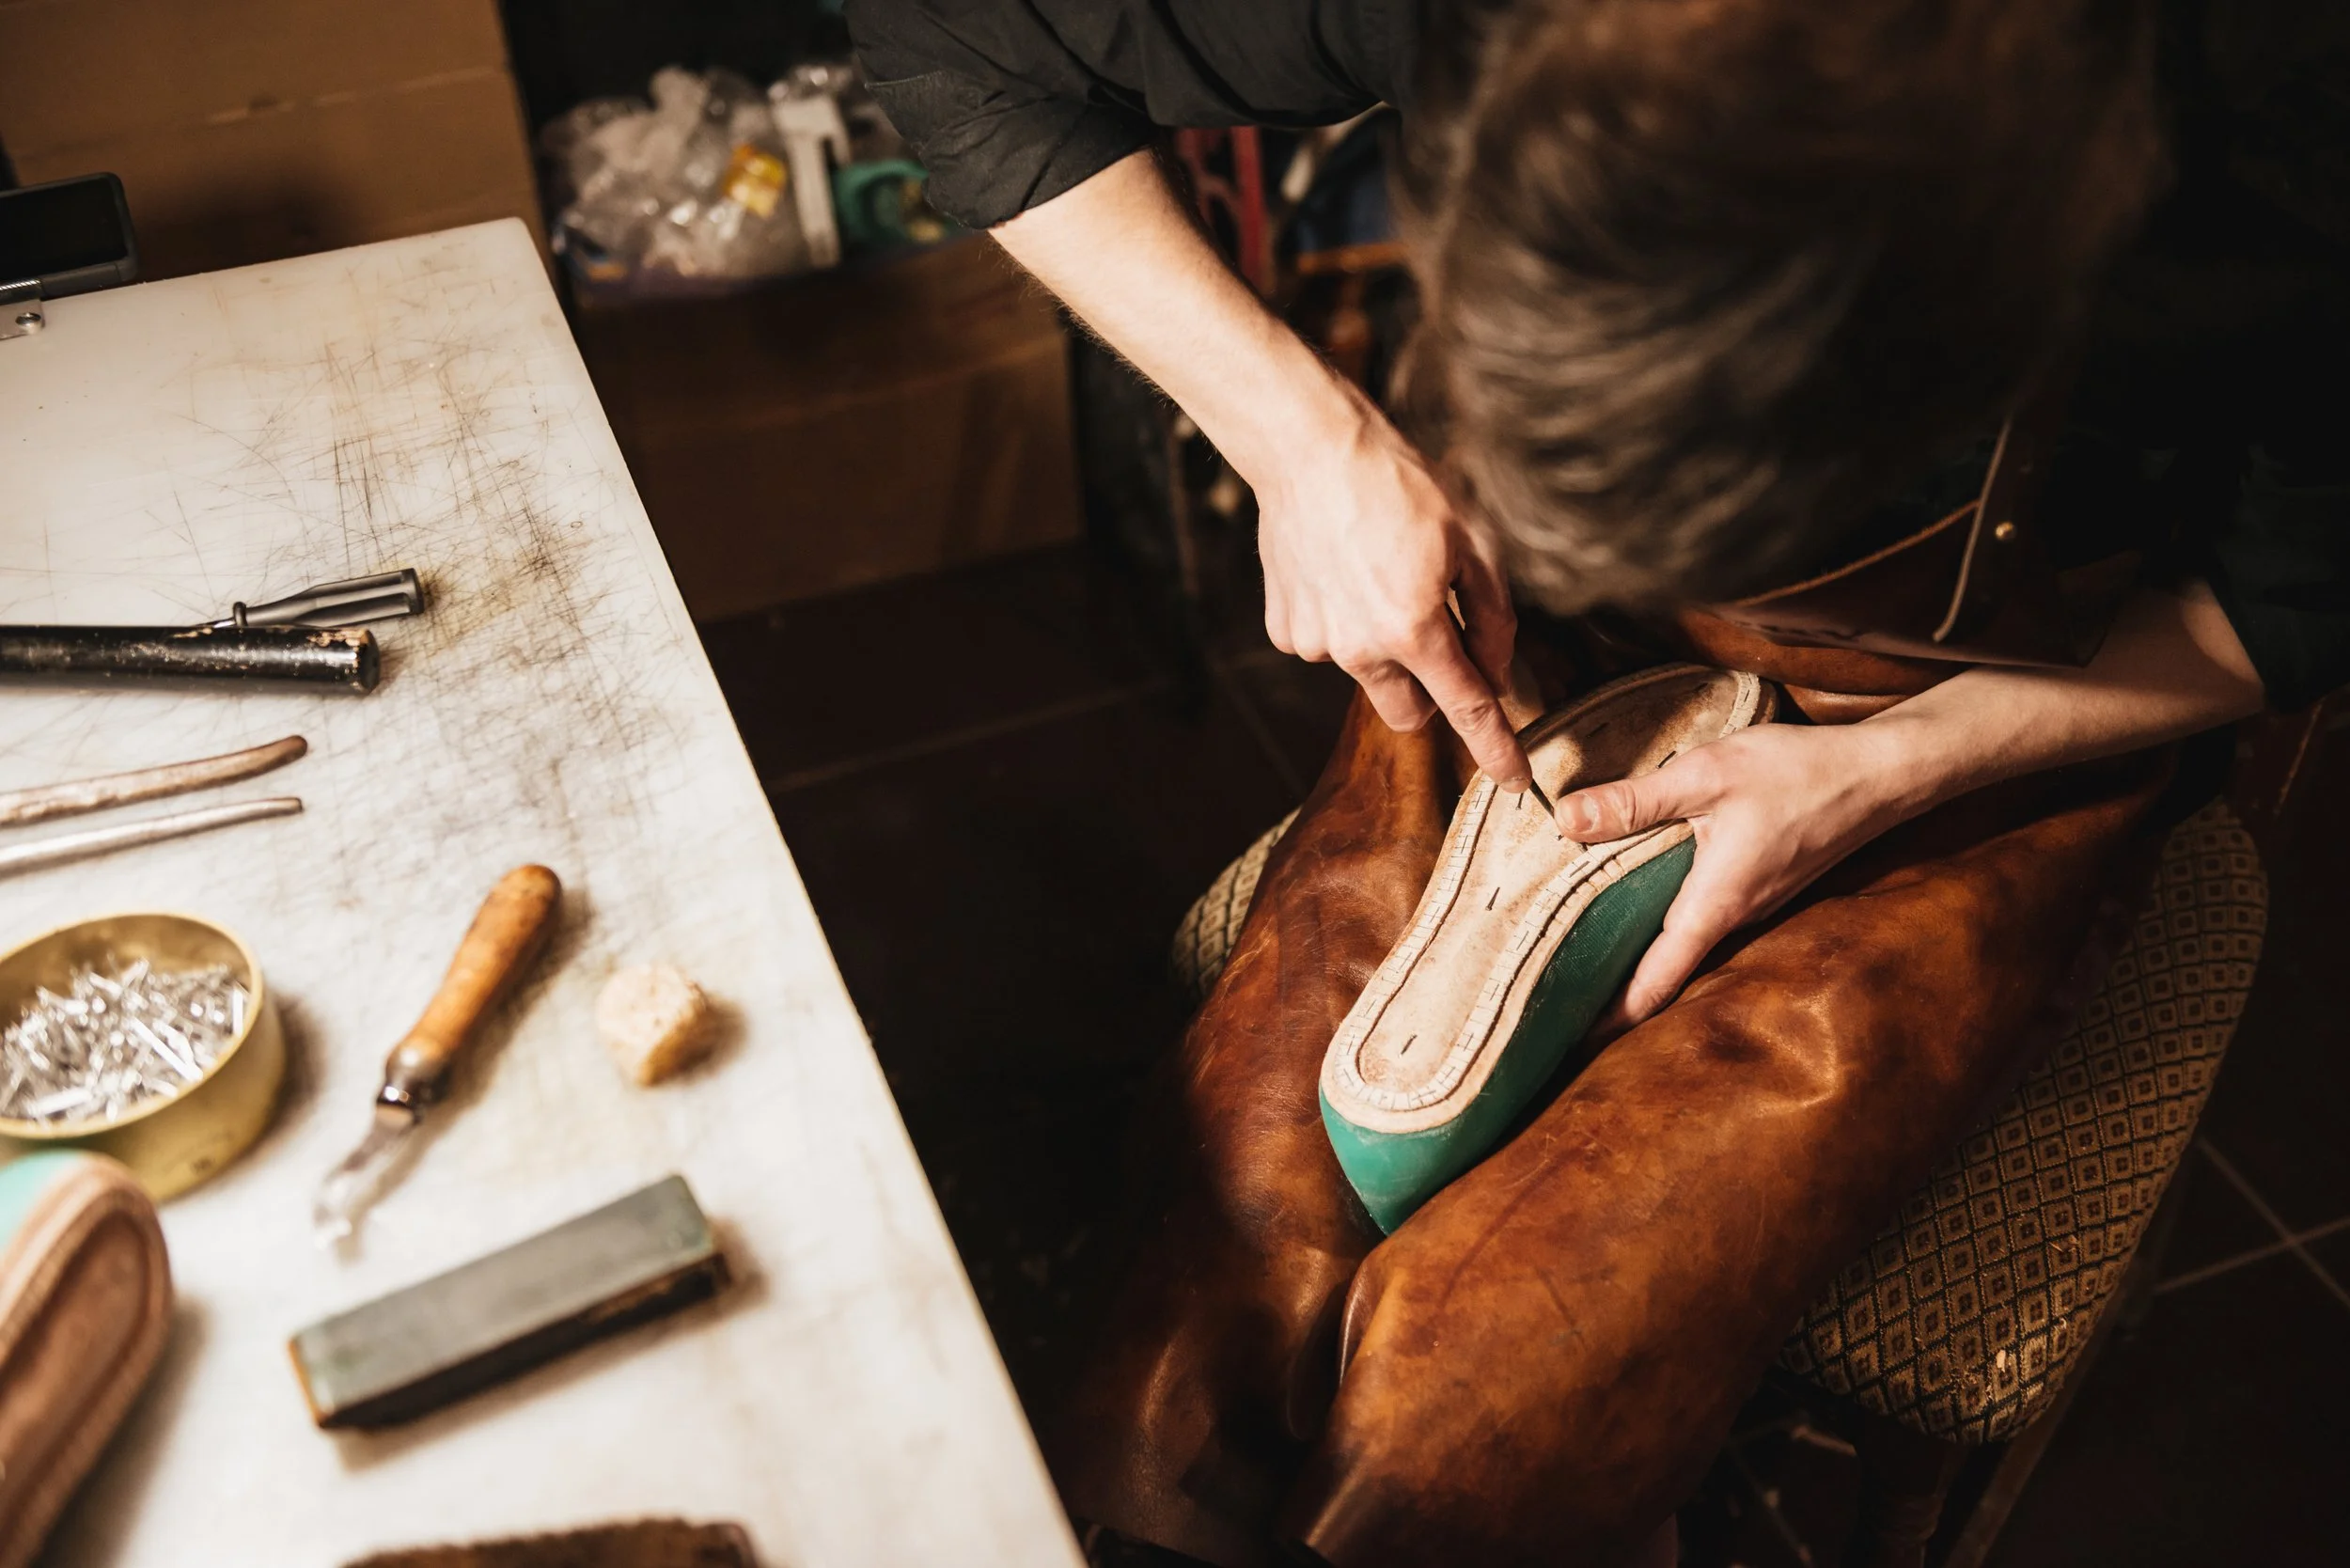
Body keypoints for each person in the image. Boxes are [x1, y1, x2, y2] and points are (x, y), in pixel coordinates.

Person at [846, 0, 2347, 1561]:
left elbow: (2307, 583)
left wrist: (1886, 771)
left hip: (2000, 695)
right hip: (1528, 605)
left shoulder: (2284, 95)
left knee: (1491, 1406)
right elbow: (941, 41)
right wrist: (1304, 440)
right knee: (1180, 1360)